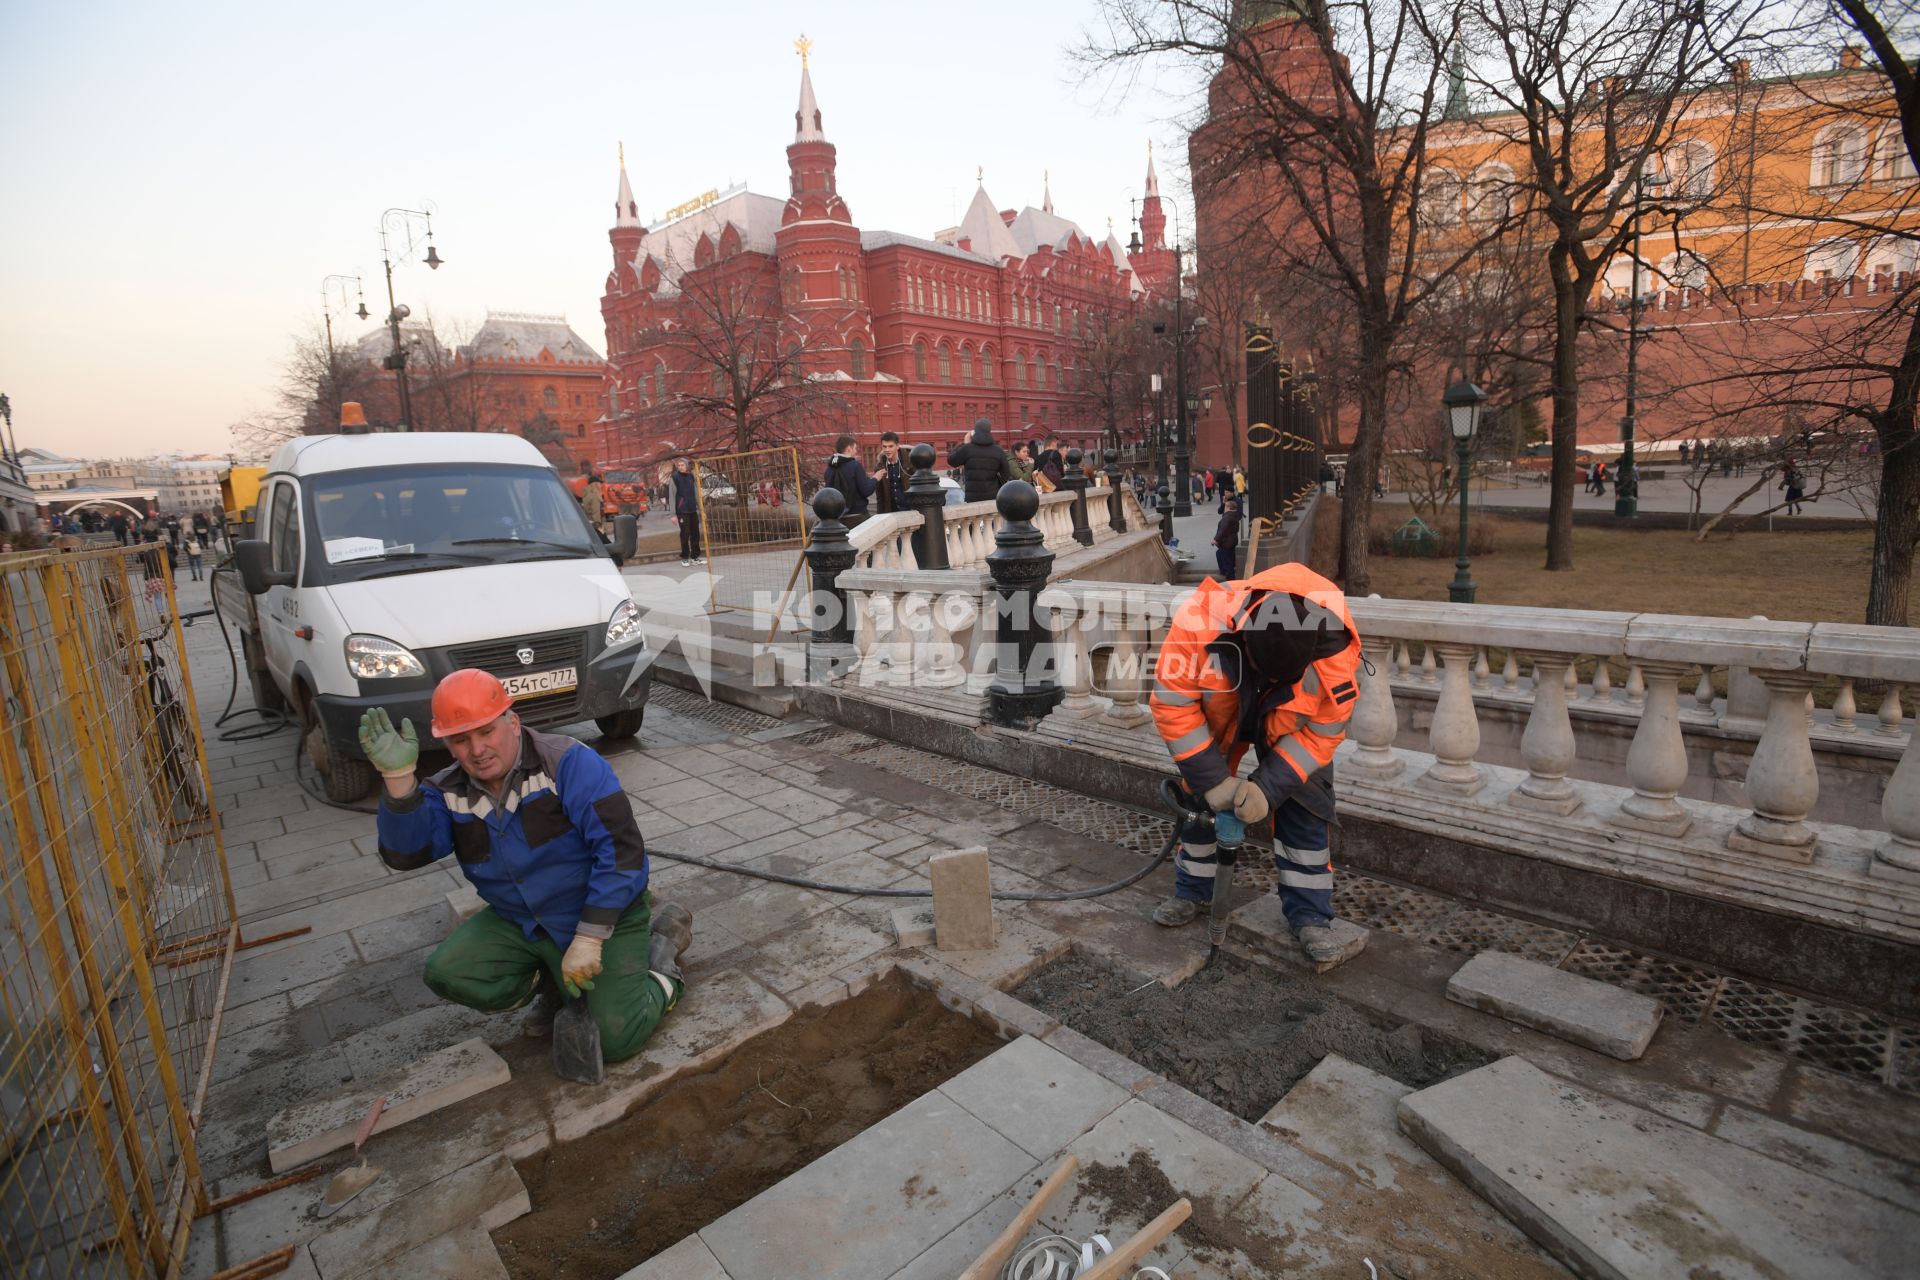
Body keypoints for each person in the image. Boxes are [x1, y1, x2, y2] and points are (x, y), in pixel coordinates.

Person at [358, 672, 693, 1080]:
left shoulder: (568, 763)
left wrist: (588, 937)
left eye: (486, 731)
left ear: (511, 723)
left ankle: (660, 962)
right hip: (522, 920)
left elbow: (622, 853)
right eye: (461, 739)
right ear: (446, 742)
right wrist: (399, 782)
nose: (477, 750)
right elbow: (407, 855)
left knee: (618, 1038)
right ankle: (556, 982)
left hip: (606, 914)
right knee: (449, 972)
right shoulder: (446, 791)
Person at [1148, 564, 1364, 969]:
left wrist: (1269, 786)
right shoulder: (1199, 620)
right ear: (1243, 636)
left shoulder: (1333, 652)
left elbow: (1323, 732)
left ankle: (1309, 916)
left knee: (1305, 799)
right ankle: (1193, 889)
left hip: (1287, 720)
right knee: (1199, 798)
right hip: (1226, 707)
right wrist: (1213, 780)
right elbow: (1172, 704)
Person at [947, 419, 1011, 503]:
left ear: (975, 431)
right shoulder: (998, 451)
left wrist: (965, 443)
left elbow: (952, 461)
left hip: (973, 498)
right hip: (993, 496)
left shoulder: (967, 449)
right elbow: (1006, 474)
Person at [824, 434, 879, 516]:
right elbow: (866, 491)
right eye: (855, 448)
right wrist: (875, 479)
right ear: (849, 449)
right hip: (858, 515)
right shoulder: (855, 466)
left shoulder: (829, 469)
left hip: (838, 517)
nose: (856, 451)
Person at [670, 456, 703, 565]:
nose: (680, 467)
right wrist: (673, 514)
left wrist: (701, 510)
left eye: (682, 465)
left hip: (692, 509)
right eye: (678, 465)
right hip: (682, 511)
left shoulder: (691, 476)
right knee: (685, 534)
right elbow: (671, 496)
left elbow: (696, 494)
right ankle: (685, 558)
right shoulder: (674, 477)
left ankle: (695, 557)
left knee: (695, 534)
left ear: (687, 466)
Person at [873, 431, 908, 512]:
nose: (887, 450)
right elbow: (880, 496)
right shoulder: (879, 467)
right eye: (884, 447)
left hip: (910, 510)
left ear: (897, 446)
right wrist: (880, 516)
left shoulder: (909, 463)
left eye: (890, 446)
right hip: (892, 513)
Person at [1212, 497, 1240, 579]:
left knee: (1227, 561)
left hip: (1226, 542)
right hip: (1232, 540)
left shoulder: (1227, 517)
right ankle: (1225, 572)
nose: (1224, 508)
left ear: (1229, 508)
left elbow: (1222, 529)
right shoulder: (1234, 515)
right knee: (1220, 554)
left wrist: (1215, 539)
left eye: (1225, 506)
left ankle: (1229, 578)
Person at [580, 469, 606, 535]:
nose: (601, 485)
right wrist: (599, 527)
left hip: (589, 525)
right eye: (599, 483)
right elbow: (596, 512)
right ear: (595, 484)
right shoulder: (595, 496)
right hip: (596, 528)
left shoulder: (586, 495)